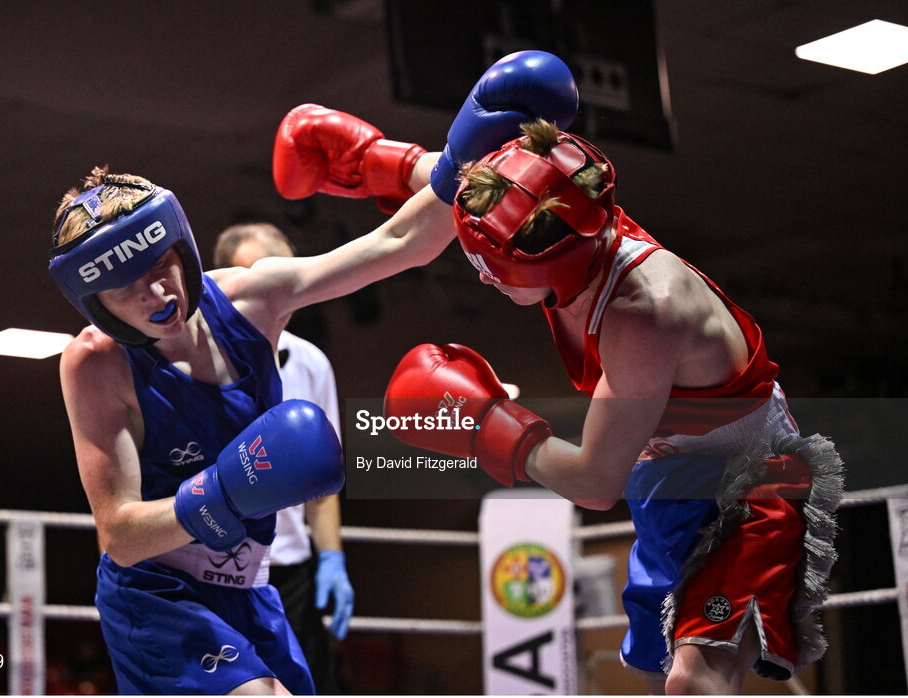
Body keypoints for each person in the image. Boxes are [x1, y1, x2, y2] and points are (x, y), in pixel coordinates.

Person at [281, 51, 844, 695]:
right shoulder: (563, 201)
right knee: (678, 670)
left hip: (748, 496)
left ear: (523, 273)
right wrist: (372, 162)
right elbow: (474, 185)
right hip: (672, 485)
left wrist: (487, 426)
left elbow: (596, 481)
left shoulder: (643, 314)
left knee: (697, 679)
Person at [48, 106, 452, 695]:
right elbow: (120, 534)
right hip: (157, 594)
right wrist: (224, 491)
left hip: (251, 586)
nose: (158, 292)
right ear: (95, 302)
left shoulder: (252, 301)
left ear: (180, 247)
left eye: (162, 267)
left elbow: (401, 242)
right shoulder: (96, 363)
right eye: (127, 288)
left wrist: (469, 162)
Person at [214, 222, 352, 694]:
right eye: (262, 276)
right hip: (212, 565)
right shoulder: (192, 358)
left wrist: (331, 557)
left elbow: (325, 482)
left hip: (289, 569)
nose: (279, 291)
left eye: (288, 275)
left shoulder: (312, 362)